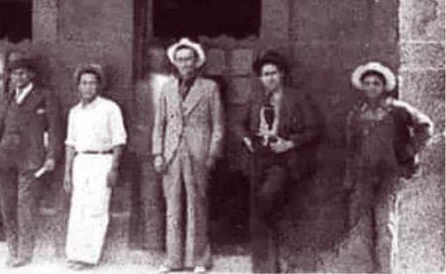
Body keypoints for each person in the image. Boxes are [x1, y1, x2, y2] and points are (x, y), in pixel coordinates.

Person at [342, 61, 434, 273]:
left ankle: (387, 270)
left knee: (385, 227)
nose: (371, 87)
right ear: (362, 86)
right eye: (367, 83)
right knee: (361, 228)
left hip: (388, 176)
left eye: (376, 83)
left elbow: (426, 127)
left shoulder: (397, 110)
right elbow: (351, 149)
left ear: (384, 86)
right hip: (363, 178)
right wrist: (350, 178)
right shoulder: (356, 115)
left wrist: (408, 151)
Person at [239, 50, 321, 273]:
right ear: (260, 78)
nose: (270, 78)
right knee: (264, 209)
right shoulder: (256, 98)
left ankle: (286, 259)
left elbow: (314, 129)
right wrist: (248, 140)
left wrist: (290, 143)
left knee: (268, 200)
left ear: (282, 74)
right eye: (265, 74)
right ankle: (267, 265)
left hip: (284, 160)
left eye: (273, 73)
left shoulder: (298, 97)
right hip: (259, 159)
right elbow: (239, 124)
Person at [152, 37, 224, 274]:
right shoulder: (167, 88)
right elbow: (159, 124)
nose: (185, 64)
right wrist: (158, 153)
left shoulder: (209, 88)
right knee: (172, 205)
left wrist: (212, 154)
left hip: (198, 151)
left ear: (197, 61)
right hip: (171, 152)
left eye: (189, 59)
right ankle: (173, 259)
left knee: (197, 204)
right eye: (180, 59)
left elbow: (218, 125)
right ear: (175, 63)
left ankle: (199, 259)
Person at [0, 56, 61, 267]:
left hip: (31, 159)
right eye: (15, 73)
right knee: (8, 206)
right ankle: (12, 249)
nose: (18, 77)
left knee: (26, 207)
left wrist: (51, 156)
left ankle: (24, 253)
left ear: (31, 75)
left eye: (22, 73)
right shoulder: (8, 97)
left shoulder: (44, 96)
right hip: (6, 159)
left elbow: (54, 129)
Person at [63, 64, 127, 270]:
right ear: (78, 86)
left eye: (92, 83)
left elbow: (119, 140)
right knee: (78, 208)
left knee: (97, 208)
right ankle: (74, 254)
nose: (88, 87)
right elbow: (70, 143)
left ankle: (89, 257)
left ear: (98, 86)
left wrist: (114, 168)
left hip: (102, 160)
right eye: (84, 83)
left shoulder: (110, 108)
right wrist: (67, 174)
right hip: (81, 161)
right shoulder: (74, 112)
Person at [132, 46, 169, 252]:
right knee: (150, 196)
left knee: (174, 196)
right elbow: (134, 117)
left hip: (173, 148)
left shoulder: (177, 84)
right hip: (148, 149)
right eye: (153, 57)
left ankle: (174, 243)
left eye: (161, 56)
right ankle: (153, 242)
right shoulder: (141, 87)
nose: (157, 60)